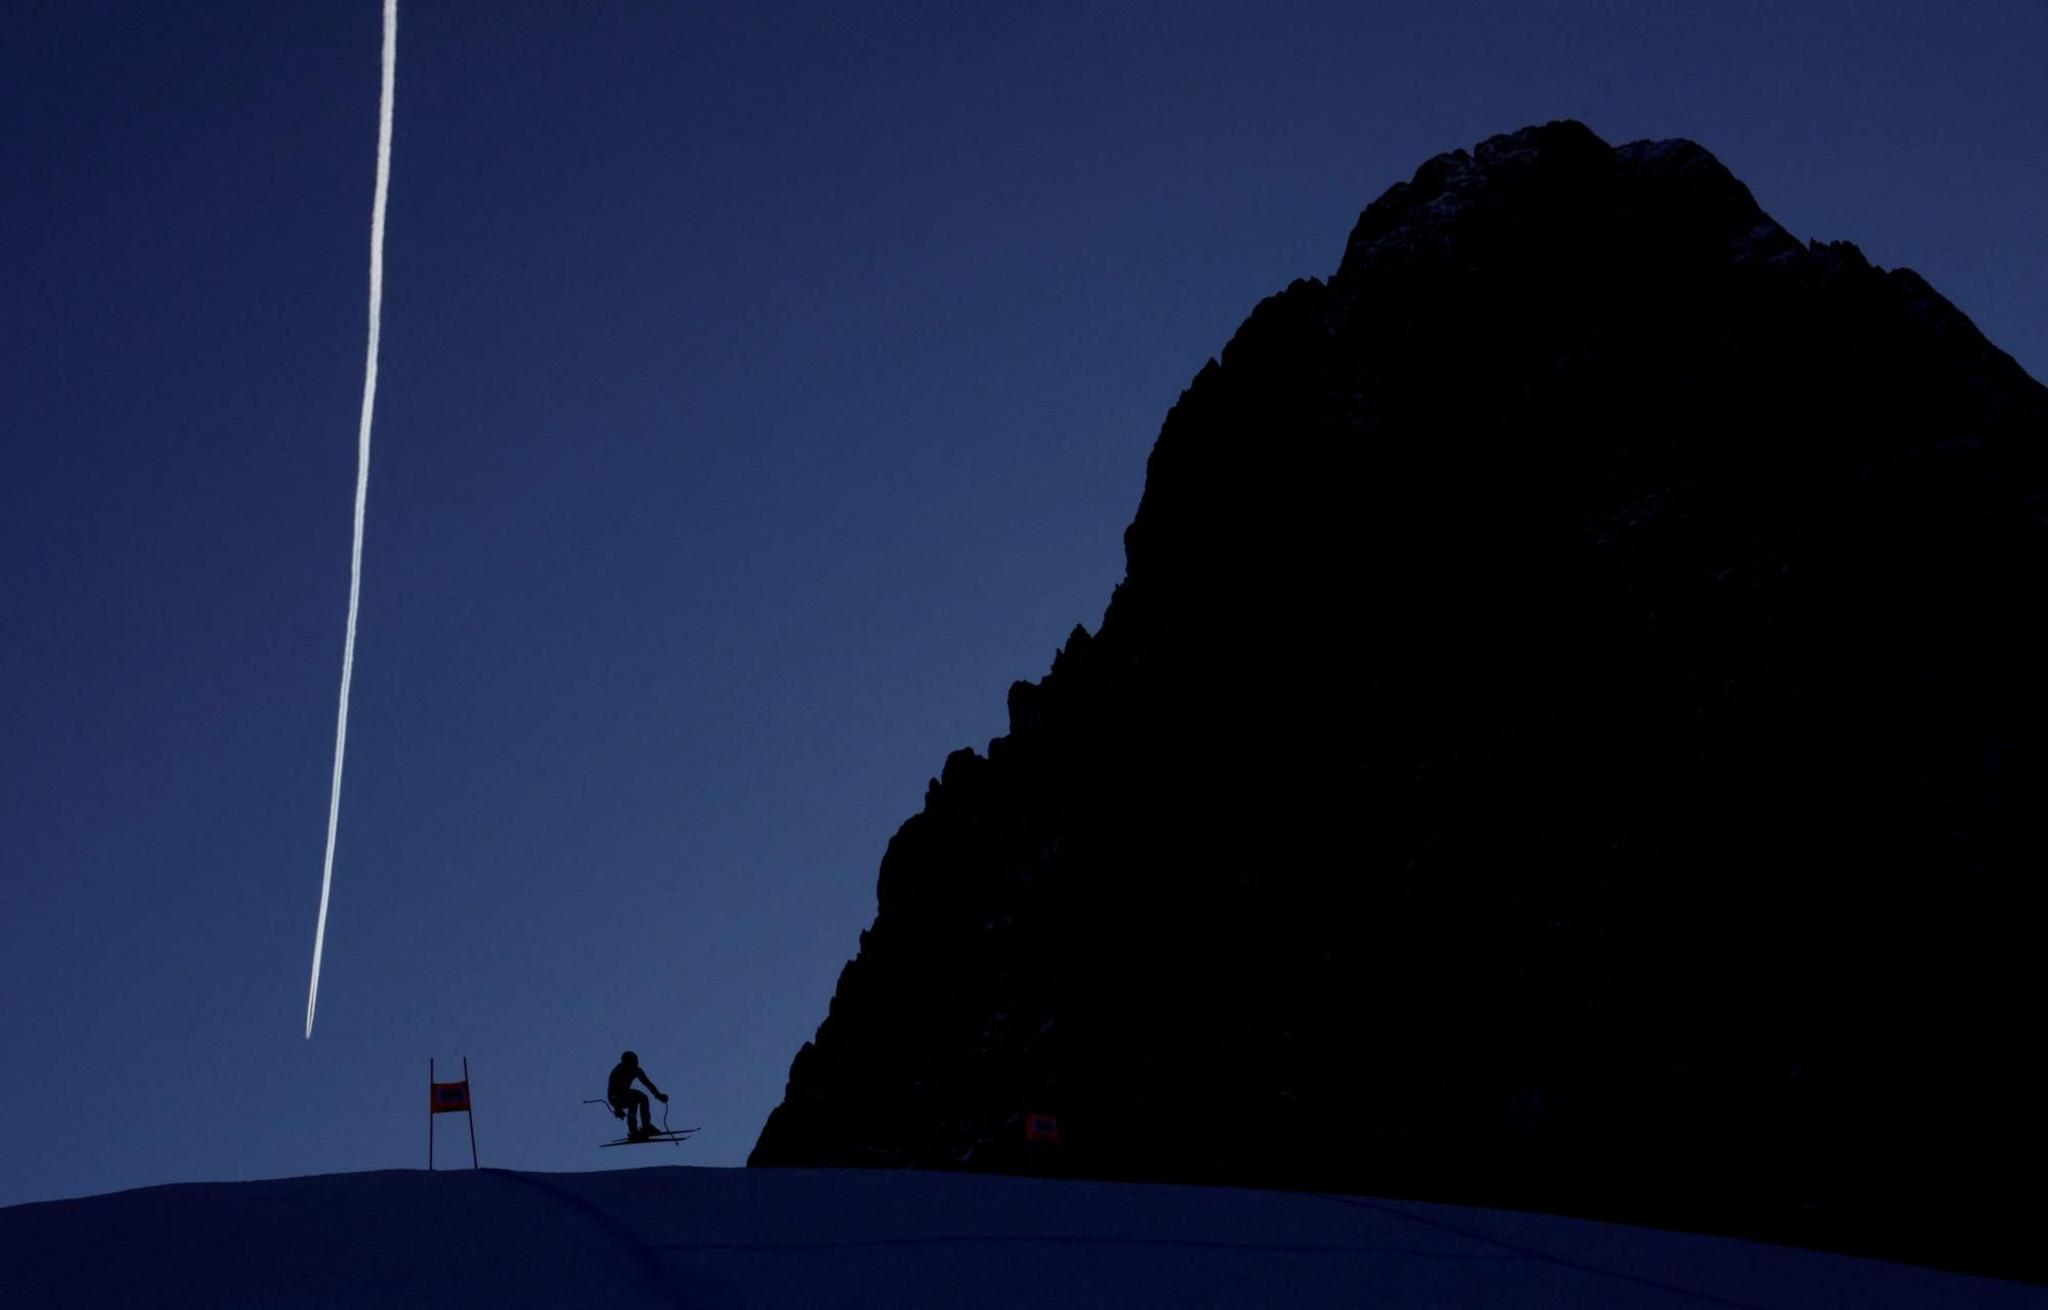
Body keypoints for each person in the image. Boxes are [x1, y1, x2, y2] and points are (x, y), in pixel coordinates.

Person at [607, 1050, 668, 1139]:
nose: (634, 1065)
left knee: (643, 1098)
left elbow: (648, 1084)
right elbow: (613, 1091)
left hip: (625, 1093)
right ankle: (633, 1131)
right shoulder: (618, 1071)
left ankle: (646, 1126)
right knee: (633, 1103)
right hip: (615, 1097)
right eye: (632, 1063)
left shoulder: (636, 1070)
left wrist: (658, 1095)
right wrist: (617, 1107)